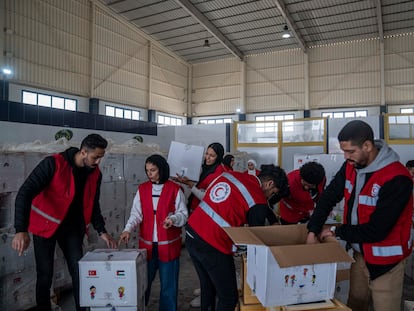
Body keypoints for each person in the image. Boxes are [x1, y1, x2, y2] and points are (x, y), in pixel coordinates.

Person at [306, 120, 413, 311]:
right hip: (360, 256)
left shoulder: (397, 177)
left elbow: (376, 231)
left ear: (367, 146)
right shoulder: (351, 167)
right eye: (344, 152)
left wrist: (334, 231)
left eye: (351, 151)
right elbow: (328, 197)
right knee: (355, 304)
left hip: (387, 264)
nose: (346, 157)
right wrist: (313, 230)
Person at [11, 134, 118, 311]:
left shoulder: (95, 174)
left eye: (101, 157)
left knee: (79, 272)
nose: (98, 161)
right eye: (95, 157)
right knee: (45, 275)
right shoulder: (53, 164)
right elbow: (25, 193)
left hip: (72, 229)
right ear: (83, 152)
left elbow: (93, 204)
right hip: (45, 226)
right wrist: (20, 230)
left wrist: (101, 230)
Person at [185, 164, 289, 311]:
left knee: (208, 287)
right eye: (273, 193)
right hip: (212, 244)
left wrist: (272, 219)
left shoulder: (232, 175)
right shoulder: (257, 199)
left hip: (191, 232)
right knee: (228, 298)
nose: (270, 197)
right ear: (269, 183)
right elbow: (255, 240)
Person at [119, 154, 188, 311]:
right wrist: (127, 229)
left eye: (153, 170)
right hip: (147, 247)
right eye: (147, 170)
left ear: (162, 170)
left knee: (168, 286)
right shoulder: (142, 189)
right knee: (143, 283)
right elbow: (136, 214)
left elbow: (183, 214)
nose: (149, 173)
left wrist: (173, 219)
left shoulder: (175, 189)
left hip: (169, 247)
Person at [173, 142, 225, 307]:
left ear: (219, 157)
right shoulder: (203, 168)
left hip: (208, 218)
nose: (207, 158)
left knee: (205, 258)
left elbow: (208, 198)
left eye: (212, 155)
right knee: (199, 259)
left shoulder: (220, 173)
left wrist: (190, 185)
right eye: (207, 154)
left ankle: (208, 294)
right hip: (197, 214)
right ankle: (205, 289)